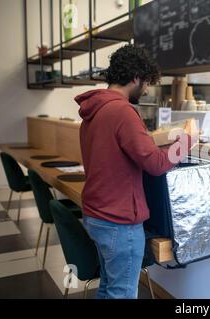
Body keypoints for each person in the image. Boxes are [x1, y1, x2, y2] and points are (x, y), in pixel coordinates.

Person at [75, 44, 196, 299]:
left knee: (108, 288)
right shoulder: (123, 112)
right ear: (136, 77)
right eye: (147, 82)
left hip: (97, 215)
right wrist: (187, 140)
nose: (147, 89)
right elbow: (155, 164)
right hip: (119, 222)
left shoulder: (92, 111)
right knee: (122, 293)